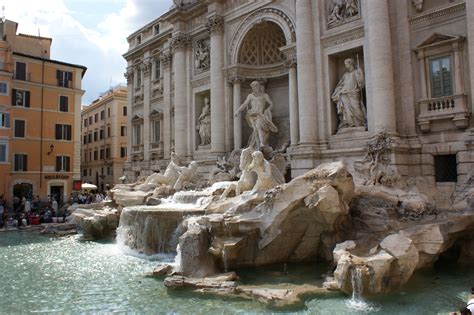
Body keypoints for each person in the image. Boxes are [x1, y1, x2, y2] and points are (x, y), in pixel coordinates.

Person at [234, 81, 278, 149]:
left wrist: (268, 109)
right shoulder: (250, 96)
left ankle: (259, 144)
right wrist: (238, 111)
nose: (254, 89)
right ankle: (259, 144)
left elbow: (271, 104)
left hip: (260, 114)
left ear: (259, 87)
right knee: (256, 128)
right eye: (253, 87)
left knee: (257, 126)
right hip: (252, 114)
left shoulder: (265, 95)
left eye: (255, 87)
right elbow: (244, 104)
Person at [331, 58, 366, 130]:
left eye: (346, 64)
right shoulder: (345, 75)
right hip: (345, 94)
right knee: (346, 109)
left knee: (356, 107)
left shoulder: (357, 72)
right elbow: (340, 85)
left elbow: (361, 84)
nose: (345, 65)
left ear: (350, 63)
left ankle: (360, 122)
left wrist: (360, 74)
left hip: (354, 93)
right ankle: (349, 123)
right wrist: (339, 91)